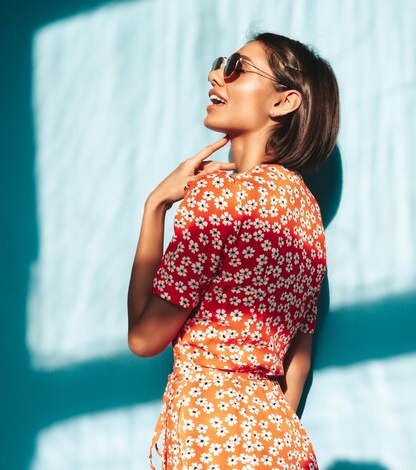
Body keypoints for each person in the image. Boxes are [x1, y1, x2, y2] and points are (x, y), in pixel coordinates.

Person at [127, 31, 340, 469]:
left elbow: (144, 337)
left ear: (284, 102)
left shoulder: (219, 198)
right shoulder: (307, 215)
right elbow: (296, 370)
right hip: (283, 444)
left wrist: (156, 206)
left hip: (213, 441)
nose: (214, 75)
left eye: (236, 68)